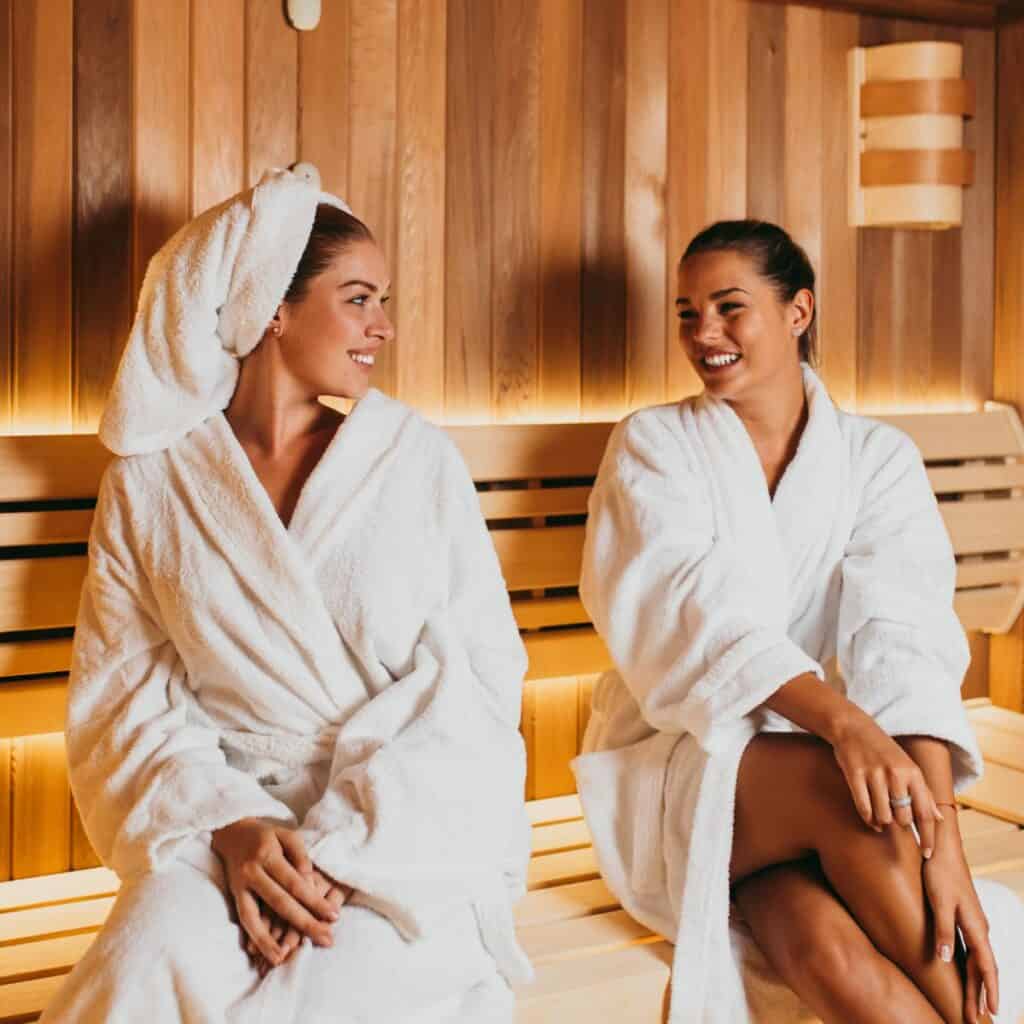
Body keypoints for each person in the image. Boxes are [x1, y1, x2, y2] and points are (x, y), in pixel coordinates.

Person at [41, 166, 531, 1023]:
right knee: (137, 966)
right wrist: (231, 825)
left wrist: (340, 843)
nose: (383, 326)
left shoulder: (418, 463)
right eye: (359, 299)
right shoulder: (155, 484)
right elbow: (123, 693)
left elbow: (477, 683)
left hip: (402, 829)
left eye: (383, 301)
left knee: (315, 999)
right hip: (223, 822)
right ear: (275, 306)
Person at [573, 220, 1024, 1024]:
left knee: (828, 958)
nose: (703, 332)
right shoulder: (654, 447)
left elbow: (905, 643)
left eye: (728, 306)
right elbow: (689, 615)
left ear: (797, 312)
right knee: (859, 800)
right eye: (687, 312)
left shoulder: (875, 459)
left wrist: (946, 849)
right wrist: (846, 727)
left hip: (833, 782)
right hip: (684, 764)